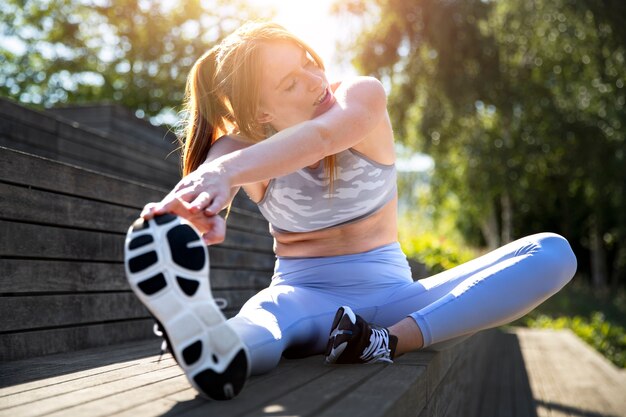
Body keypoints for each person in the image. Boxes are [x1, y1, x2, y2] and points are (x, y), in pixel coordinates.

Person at [123, 21, 577, 401]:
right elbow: (208, 183)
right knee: (263, 322)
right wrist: (190, 213)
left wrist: (223, 174)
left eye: (307, 61)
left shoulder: (361, 96)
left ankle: (388, 342)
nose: (316, 80)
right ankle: (213, 347)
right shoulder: (239, 151)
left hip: (396, 300)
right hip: (302, 295)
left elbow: (322, 138)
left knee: (554, 252)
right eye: (291, 83)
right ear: (261, 113)